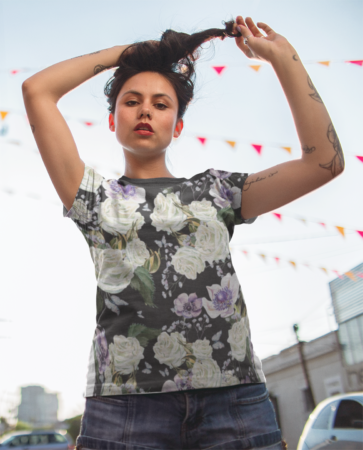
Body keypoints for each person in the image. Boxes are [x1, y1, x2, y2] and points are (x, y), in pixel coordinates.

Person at [22, 15, 344, 450]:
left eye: (161, 103)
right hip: (125, 407)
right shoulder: (93, 197)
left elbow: (324, 161)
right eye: (131, 101)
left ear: (177, 126)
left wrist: (284, 58)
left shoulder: (219, 191)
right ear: (112, 120)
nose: (145, 110)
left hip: (234, 398)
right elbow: (37, 91)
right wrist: (132, 55)